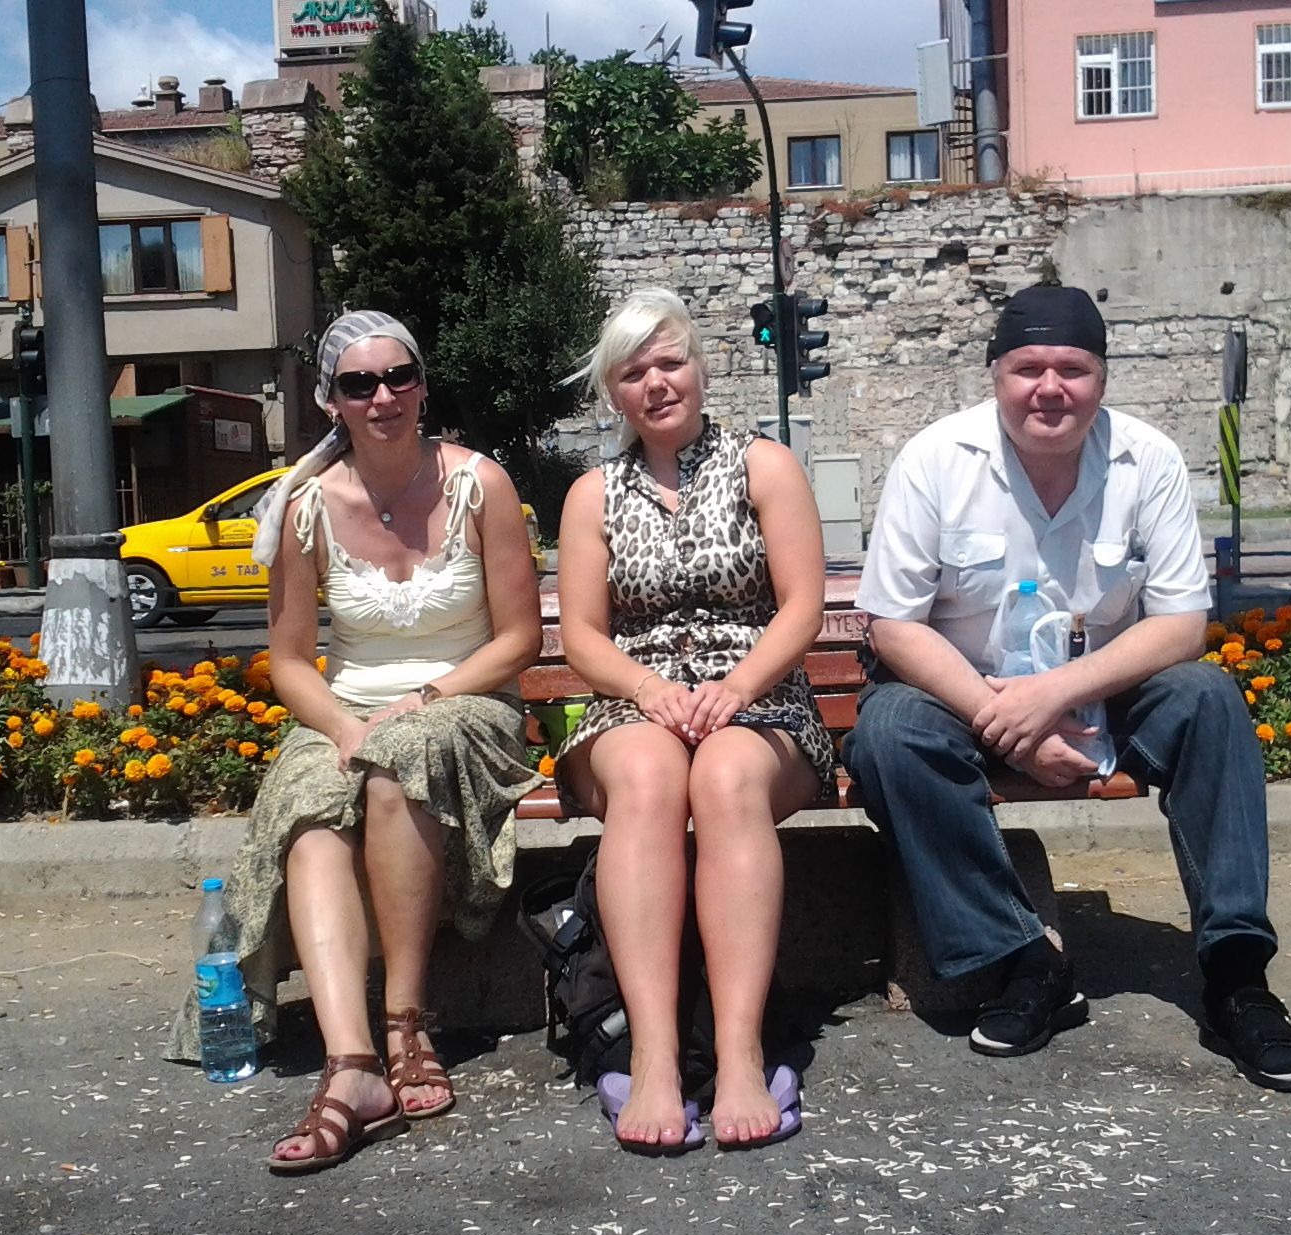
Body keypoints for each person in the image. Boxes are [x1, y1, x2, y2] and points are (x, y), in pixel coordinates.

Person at [842, 284, 1291, 1092]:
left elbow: (1179, 626)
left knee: (1209, 698)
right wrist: (1008, 717)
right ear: (996, 374)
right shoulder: (934, 461)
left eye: (1073, 368)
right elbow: (893, 626)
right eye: (1028, 367)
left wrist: (1056, 696)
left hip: (1106, 691)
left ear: (1102, 380)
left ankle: (1239, 980)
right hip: (968, 696)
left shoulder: (1149, 460)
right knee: (889, 732)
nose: (1050, 388)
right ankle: (1026, 964)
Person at [164, 309, 545, 1173]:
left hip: (467, 700)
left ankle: (408, 1022)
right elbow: (291, 661)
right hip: (347, 709)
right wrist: (340, 726)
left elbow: (518, 640)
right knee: (306, 808)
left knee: (394, 763)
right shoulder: (305, 506)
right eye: (359, 384)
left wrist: (422, 699)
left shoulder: (481, 484)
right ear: (331, 402)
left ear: (422, 386)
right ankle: (353, 1065)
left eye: (398, 377)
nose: (383, 397)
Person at [553, 288, 833, 1153]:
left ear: (701, 369)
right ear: (614, 394)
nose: (657, 383)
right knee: (645, 775)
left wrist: (738, 689)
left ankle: (742, 1052)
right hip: (633, 702)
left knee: (724, 774)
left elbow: (801, 607)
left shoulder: (765, 466)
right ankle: (658, 1054)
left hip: (761, 699)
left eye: (670, 361)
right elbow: (582, 637)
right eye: (635, 372)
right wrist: (648, 692)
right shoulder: (592, 495)